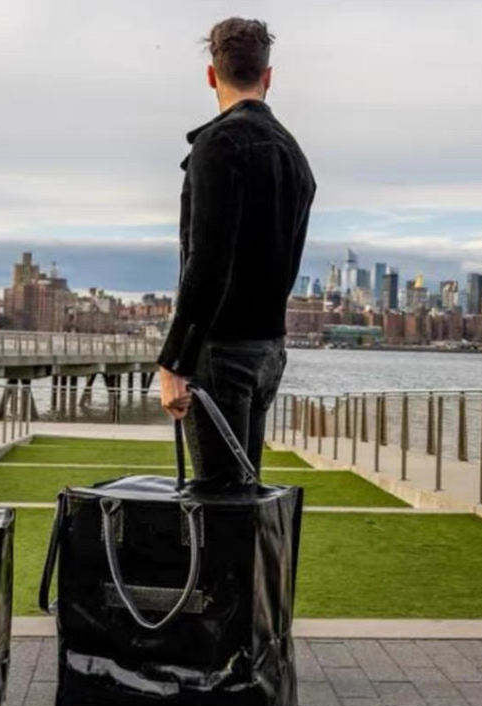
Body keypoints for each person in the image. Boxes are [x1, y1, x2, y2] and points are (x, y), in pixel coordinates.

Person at [157, 17, 316, 487]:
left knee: (218, 506)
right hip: (268, 349)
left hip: (222, 350)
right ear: (268, 76)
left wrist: (174, 362)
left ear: (212, 75)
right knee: (241, 500)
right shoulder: (294, 155)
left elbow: (208, 262)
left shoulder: (218, 144)